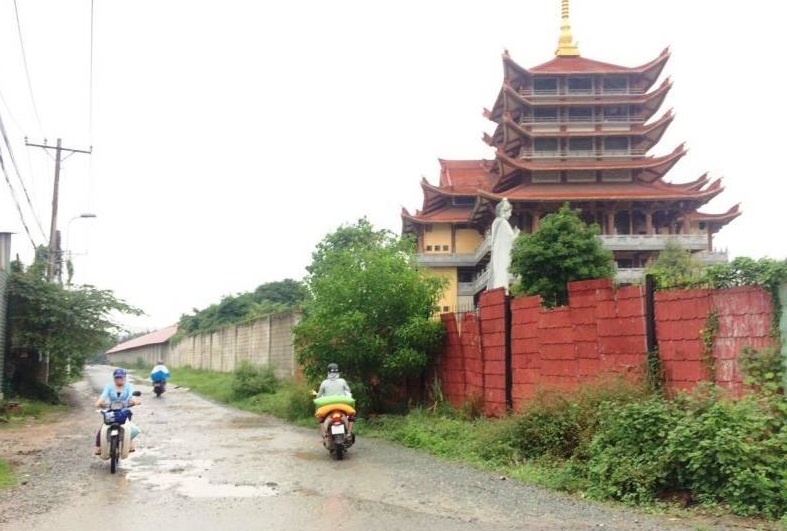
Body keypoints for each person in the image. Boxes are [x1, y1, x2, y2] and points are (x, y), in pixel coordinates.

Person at [94, 368, 141, 455]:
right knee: (104, 426)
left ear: (125, 377)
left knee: (128, 426)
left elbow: (132, 395)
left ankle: (129, 442)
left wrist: (135, 401)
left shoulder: (129, 386)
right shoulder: (109, 386)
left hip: (124, 410)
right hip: (111, 409)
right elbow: (103, 396)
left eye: (121, 377)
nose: (119, 379)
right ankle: (98, 446)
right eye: (117, 377)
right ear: (114, 378)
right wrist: (98, 402)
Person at [487, 197, 520, 292]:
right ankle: (502, 290)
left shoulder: (495, 222)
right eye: (509, 211)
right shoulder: (503, 223)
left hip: (497, 252)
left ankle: (497, 290)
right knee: (503, 272)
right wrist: (517, 234)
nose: (510, 214)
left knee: (497, 271)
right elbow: (511, 239)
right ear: (503, 211)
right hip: (503, 253)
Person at [316, 363, 354, 440]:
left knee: (321, 418)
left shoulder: (324, 383)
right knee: (351, 415)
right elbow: (348, 391)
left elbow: (319, 395)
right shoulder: (342, 381)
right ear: (338, 372)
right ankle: (349, 433)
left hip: (327, 408)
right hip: (342, 407)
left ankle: (324, 434)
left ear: (328, 372)